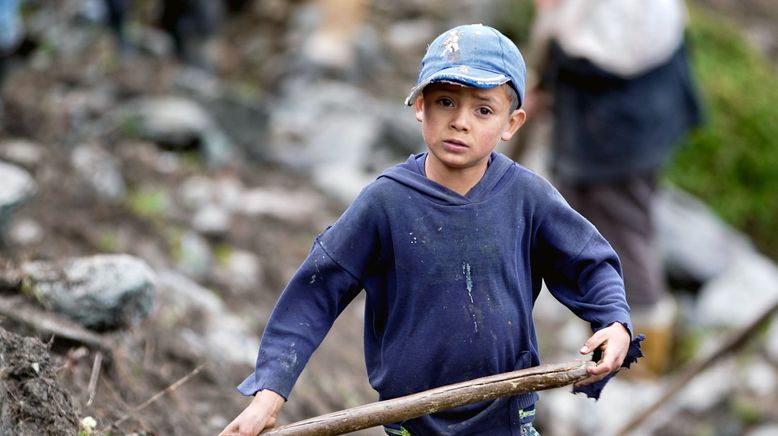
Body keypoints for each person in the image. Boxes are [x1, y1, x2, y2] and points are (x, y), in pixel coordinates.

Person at [221, 24, 641, 436]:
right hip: (411, 418)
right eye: (445, 102)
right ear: (419, 104)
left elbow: (589, 260)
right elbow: (315, 292)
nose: (460, 122)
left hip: (505, 415)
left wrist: (614, 322)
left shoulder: (527, 197)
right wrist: (269, 394)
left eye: (483, 109)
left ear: (512, 123)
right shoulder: (386, 202)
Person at [526, 0, 702, 376]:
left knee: (621, 232)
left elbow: (601, 47)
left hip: (618, 123)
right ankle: (621, 342)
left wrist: (550, 58)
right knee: (609, 224)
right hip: (632, 110)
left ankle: (637, 363)